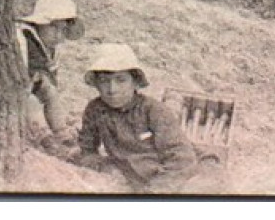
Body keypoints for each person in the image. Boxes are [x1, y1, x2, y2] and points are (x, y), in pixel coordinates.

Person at [74, 43, 200, 193]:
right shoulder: (95, 109)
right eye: (104, 81)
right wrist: (104, 168)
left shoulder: (153, 111)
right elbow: (87, 150)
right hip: (125, 178)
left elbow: (182, 160)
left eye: (121, 80)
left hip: (165, 179)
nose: (112, 89)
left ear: (135, 82)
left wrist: (155, 191)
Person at [18, 0, 81, 146]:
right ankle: (43, 137)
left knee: (51, 93)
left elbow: (50, 77)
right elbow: (19, 72)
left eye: (63, 30)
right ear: (39, 23)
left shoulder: (49, 49)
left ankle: (61, 132)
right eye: (53, 28)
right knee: (31, 101)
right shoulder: (24, 38)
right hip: (16, 85)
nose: (58, 35)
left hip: (32, 85)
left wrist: (46, 85)